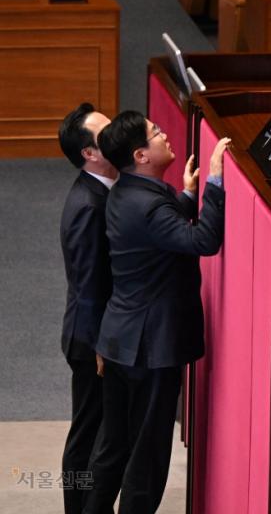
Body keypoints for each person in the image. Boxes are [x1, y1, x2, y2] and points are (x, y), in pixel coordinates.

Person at [82, 110, 230, 514]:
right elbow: (203, 241)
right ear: (141, 155)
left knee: (113, 449)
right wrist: (215, 181)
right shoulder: (146, 204)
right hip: (151, 348)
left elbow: (157, 233)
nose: (164, 134)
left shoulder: (125, 191)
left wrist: (185, 196)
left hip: (119, 341)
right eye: (155, 133)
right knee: (147, 456)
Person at [58, 103, 118, 514]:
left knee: (100, 433)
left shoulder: (106, 190)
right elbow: (89, 283)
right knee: (87, 436)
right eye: (106, 134)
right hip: (89, 340)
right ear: (89, 154)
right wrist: (100, 345)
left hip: (97, 336)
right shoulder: (88, 206)